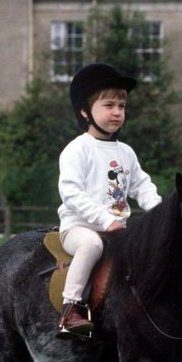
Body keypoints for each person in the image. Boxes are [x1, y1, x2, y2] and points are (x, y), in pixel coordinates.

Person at [56, 62, 161, 339]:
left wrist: (162, 214)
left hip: (116, 230)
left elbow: (142, 187)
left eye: (122, 106)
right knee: (91, 245)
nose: (117, 112)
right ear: (84, 111)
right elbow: (71, 192)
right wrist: (106, 221)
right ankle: (70, 310)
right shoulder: (78, 149)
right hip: (79, 228)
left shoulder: (125, 152)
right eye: (109, 105)